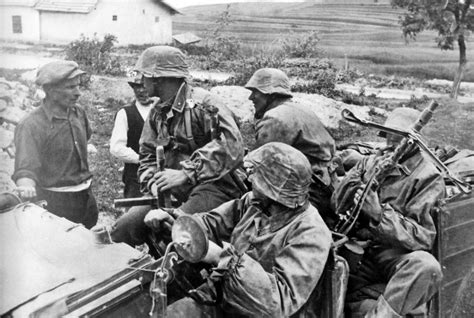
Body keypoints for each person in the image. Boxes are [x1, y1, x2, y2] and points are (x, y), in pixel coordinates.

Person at [146, 142, 332, 317]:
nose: (250, 179)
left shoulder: (311, 233)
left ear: (275, 189)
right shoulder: (255, 202)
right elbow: (211, 223)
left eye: (257, 176)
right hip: (224, 298)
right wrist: (175, 219)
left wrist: (222, 258)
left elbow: (280, 304)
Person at [110, 46, 245, 248]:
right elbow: (146, 155)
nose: (141, 82)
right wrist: (153, 183)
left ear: (158, 79)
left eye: (144, 76)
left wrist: (186, 173)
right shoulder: (157, 112)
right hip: (173, 191)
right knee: (122, 229)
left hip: (216, 187)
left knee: (177, 230)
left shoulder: (204, 104)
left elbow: (232, 146)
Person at [332, 108, 445, 317]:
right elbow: (337, 205)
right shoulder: (371, 161)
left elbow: (423, 238)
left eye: (399, 136)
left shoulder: (427, 177)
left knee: (425, 266)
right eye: (388, 134)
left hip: (391, 255)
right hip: (357, 251)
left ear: (412, 142)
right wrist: (358, 181)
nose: (392, 142)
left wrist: (378, 214)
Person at [245, 68, 337, 225]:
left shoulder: (277, 118)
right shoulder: (300, 109)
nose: (251, 97)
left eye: (256, 91)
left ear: (271, 95)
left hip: (307, 193)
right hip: (328, 188)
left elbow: (258, 165)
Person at [12, 60, 98, 229]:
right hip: (56, 204)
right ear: (50, 90)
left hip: (86, 198)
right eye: (70, 87)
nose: (78, 93)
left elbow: (85, 138)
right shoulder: (31, 125)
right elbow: (25, 170)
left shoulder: (78, 112)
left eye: (78, 86)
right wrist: (26, 185)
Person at [110, 75, 156, 198]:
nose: (141, 90)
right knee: (134, 213)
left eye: (144, 86)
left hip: (162, 175)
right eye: (137, 87)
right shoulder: (125, 113)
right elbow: (116, 147)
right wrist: (141, 160)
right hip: (135, 177)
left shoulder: (161, 110)